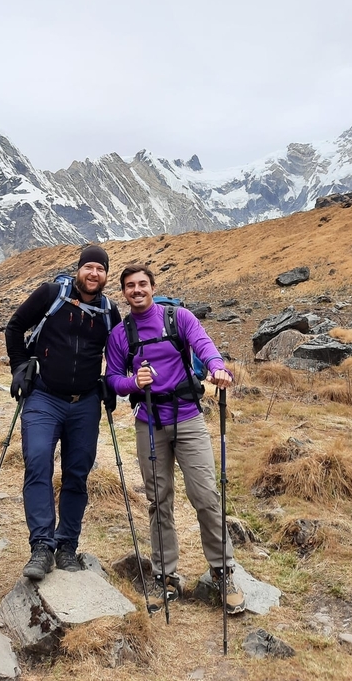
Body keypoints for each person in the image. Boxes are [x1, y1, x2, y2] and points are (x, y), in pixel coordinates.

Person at [105, 263, 245, 614]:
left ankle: (222, 571)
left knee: (206, 495)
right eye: (129, 286)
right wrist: (133, 384)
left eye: (142, 284)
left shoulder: (178, 318)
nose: (136, 290)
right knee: (158, 500)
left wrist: (216, 368)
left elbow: (204, 346)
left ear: (153, 287)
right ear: (123, 292)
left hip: (188, 417)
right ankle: (165, 575)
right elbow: (112, 381)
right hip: (148, 422)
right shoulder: (120, 334)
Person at [5, 244, 121, 580]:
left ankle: (66, 545)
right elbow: (15, 327)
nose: (94, 273)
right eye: (89, 267)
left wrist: (111, 385)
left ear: (105, 275)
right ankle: (42, 546)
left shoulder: (109, 311)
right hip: (43, 397)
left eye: (100, 269)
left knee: (77, 473)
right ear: (79, 269)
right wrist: (19, 367)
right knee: (38, 461)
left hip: (85, 403)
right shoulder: (50, 294)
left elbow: (117, 354)